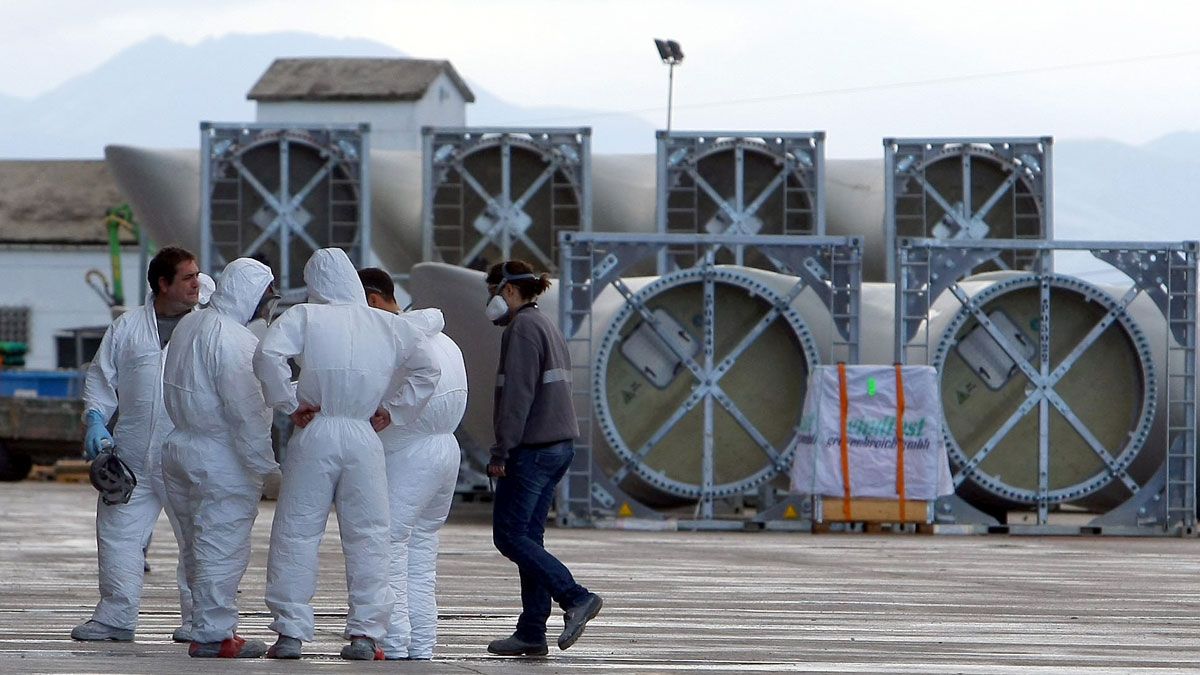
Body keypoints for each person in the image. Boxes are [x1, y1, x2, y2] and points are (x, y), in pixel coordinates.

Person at [253, 248, 436, 661]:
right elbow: (428, 369)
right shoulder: (389, 325)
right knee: (370, 534)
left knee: (297, 532)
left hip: (316, 429)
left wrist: (286, 401)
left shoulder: (304, 316)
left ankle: (290, 633)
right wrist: (396, 409)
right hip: (362, 432)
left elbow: (267, 354)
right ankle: (366, 635)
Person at [73, 246, 200, 643]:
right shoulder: (128, 328)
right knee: (118, 534)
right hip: (131, 455)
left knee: (200, 537)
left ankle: (203, 621)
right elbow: (101, 377)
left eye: (197, 275)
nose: (197, 283)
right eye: (187, 277)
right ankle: (115, 617)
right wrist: (95, 418)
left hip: (187, 453)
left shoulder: (208, 327)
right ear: (163, 284)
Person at [161, 258, 280, 658]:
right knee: (221, 544)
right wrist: (266, 468)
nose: (269, 306)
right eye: (267, 297)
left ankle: (202, 624)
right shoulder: (236, 341)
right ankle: (214, 635)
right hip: (220, 457)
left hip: (179, 447)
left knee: (196, 545)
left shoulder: (191, 324)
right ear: (251, 296)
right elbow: (246, 414)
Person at [483, 260, 602, 657]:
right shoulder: (546, 324)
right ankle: (532, 631)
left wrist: (502, 451)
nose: (491, 301)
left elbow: (517, 398)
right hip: (558, 446)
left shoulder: (521, 330)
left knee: (510, 536)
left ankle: (575, 597)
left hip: (532, 449)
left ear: (510, 291)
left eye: (494, 292)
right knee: (529, 538)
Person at [359, 268, 465, 661]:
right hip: (445, 454)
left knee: (388, 546)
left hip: (406, 454)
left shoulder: (393, 343)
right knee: (422, 553)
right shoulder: (446, 342)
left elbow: (366, 394)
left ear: (371, 301)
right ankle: (421, 643)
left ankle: (395, 641)